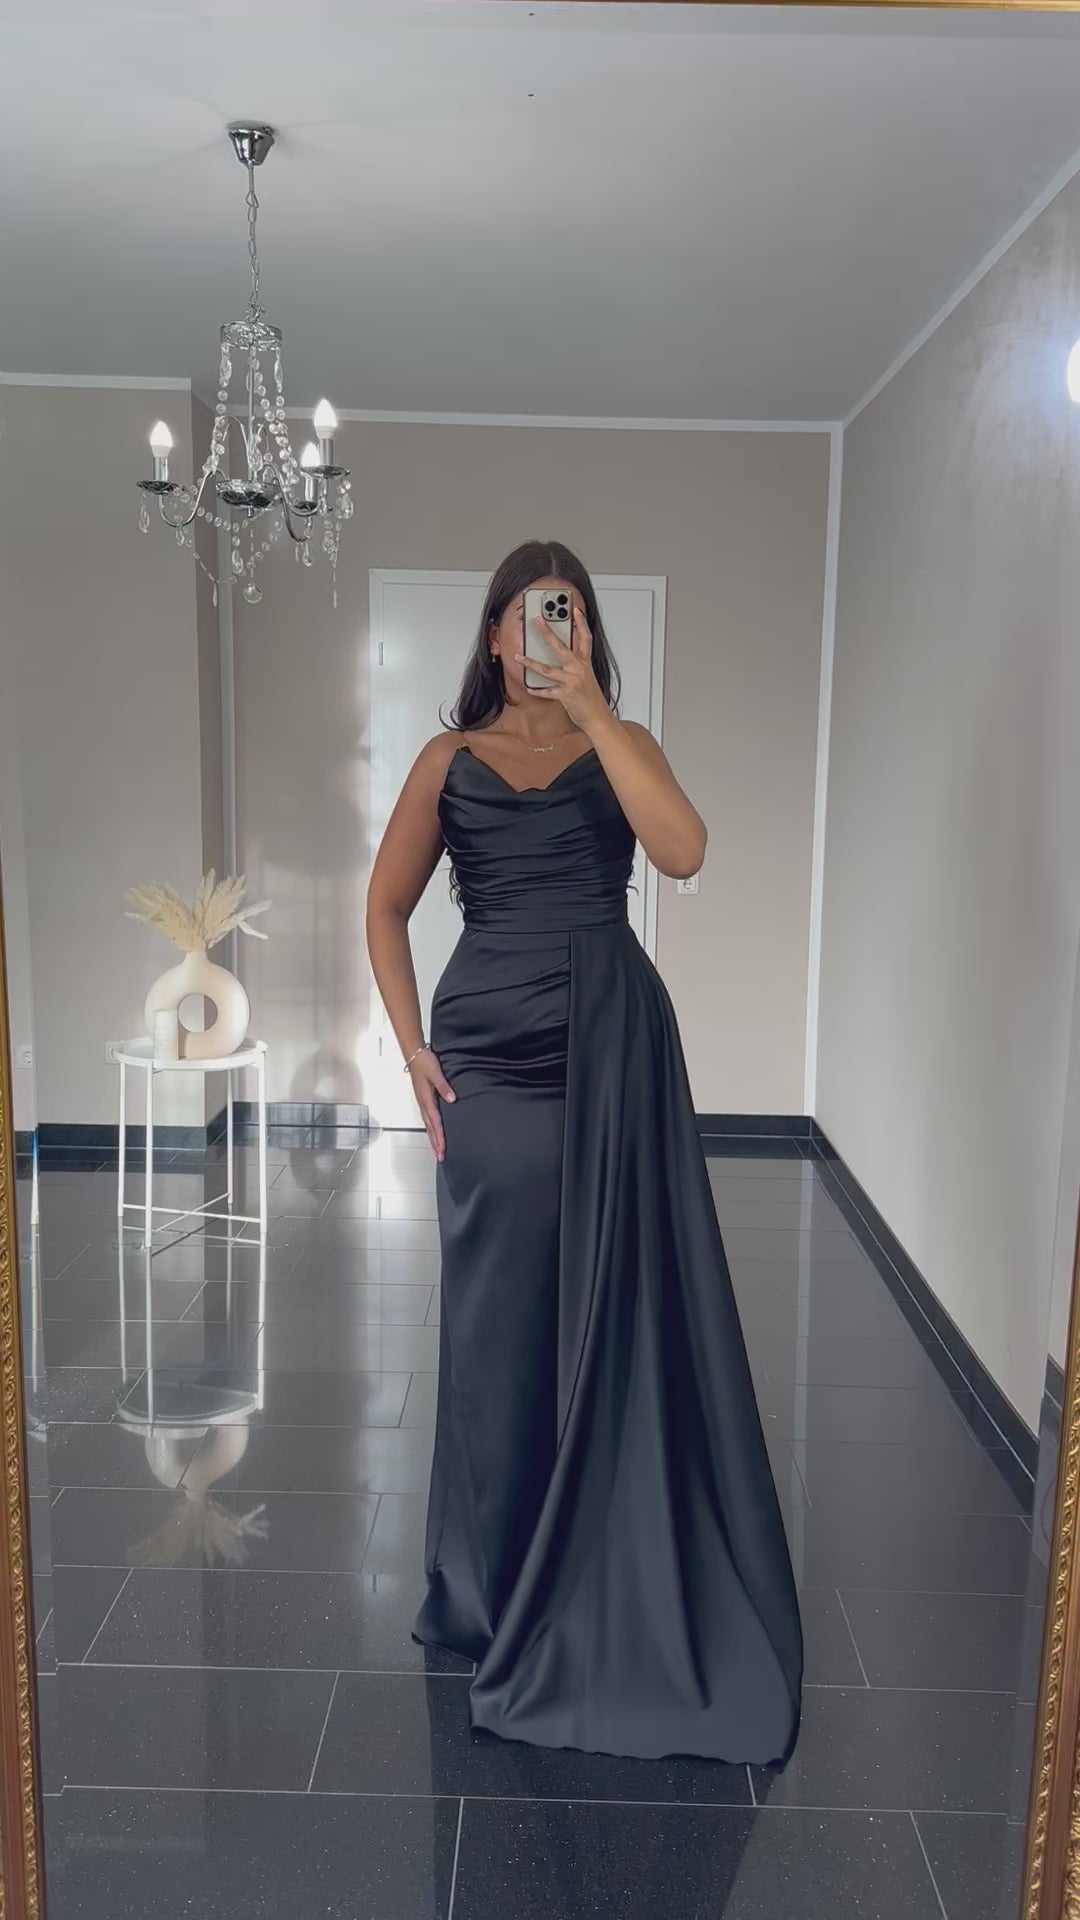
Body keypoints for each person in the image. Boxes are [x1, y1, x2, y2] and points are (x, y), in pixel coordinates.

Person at [366, 539, 802, 1764]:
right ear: (493, 635)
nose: (544, 634)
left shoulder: (623, 743)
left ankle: (606, 1551)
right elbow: (384, 906)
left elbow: (685, 851)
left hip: (611, 1047)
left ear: (588, 632)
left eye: (566, 615)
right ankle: (496, 1580)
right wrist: (409, 1048)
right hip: (487, 1056)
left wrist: (597, 710)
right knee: (497, 1317)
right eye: (525, 616)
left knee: (614, 1302)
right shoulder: (446, 760)